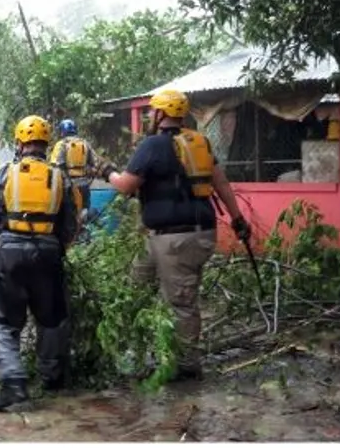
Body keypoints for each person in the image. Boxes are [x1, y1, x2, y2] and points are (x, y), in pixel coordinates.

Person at [105, 86, 251, 381]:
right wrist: (238, 220)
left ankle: (186, 365)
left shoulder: (152, 146)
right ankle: (138, 346)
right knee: (137, 284)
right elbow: (221, 185)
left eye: (151, 111)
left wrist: (106, 171)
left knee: (181, 302)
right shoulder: (201, 142)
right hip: (190, 234)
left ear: (160, 114)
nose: (149, 116)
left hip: (174, 239)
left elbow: (125, 186)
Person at [0, 115, 80, 411]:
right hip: (49, 254)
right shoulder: (60, 177)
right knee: (52, 318)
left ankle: (13, 383)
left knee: (0, 320)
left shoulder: (3, 173)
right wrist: (56, 246)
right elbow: (70, 223)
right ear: (46, 143)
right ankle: (52, 378)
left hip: (9, 252)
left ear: (19, 142)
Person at [48, 118, 105, 220]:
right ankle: (84, 230)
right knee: (84, 212)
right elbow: (96, 163)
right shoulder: (84, 143)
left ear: (62, 131)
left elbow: (55, 167)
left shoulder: (61, 144)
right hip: (84, 185)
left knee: (68, 215)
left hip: (68, 187)